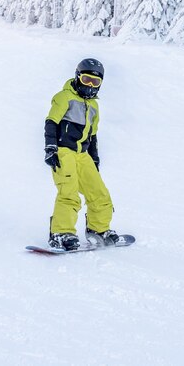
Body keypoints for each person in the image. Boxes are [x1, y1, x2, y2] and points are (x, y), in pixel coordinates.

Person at [44, 58, 121, 251]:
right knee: (69, 194)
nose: (90, 86)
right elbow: (51, 122)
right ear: (78, 77)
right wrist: (51, 147)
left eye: (95, 82)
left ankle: (98, 229)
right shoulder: (64, 97)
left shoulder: (94, 106)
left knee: (100, 194)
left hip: (83, 155)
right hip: (64, 151)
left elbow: (92, 135)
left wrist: (94, 158)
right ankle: (61, 233)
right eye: (87, 80)